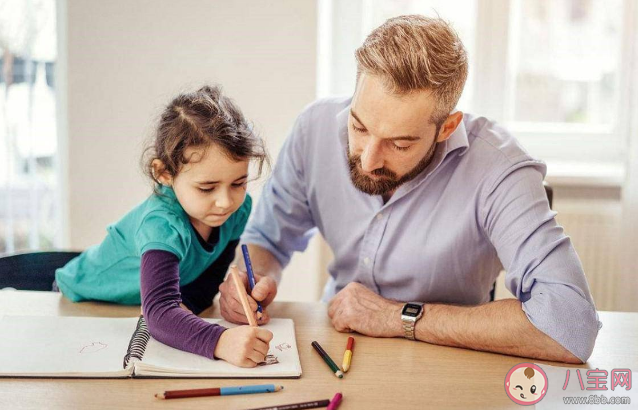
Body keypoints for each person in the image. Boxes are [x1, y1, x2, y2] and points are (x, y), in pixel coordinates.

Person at [218, 15, 601, 364]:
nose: (368, 160)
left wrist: (397, 316)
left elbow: (569, 325)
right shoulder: (313, 128)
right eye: (359, 127)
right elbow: (267, 238)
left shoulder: (501, 169)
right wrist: (246, 284)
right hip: (332, 347)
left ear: (447, 128)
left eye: (399, 144)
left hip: (451, 361)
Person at [55, 85, 273, 367]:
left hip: (134, 304)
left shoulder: (238, 209)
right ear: (164, 173)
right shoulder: (161, 224)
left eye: (238, 183)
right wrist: (219, 340)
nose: (225, 202)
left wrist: (201, 314)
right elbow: (158, 312)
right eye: (207, 188)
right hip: (82, 302)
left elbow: (204, 285)